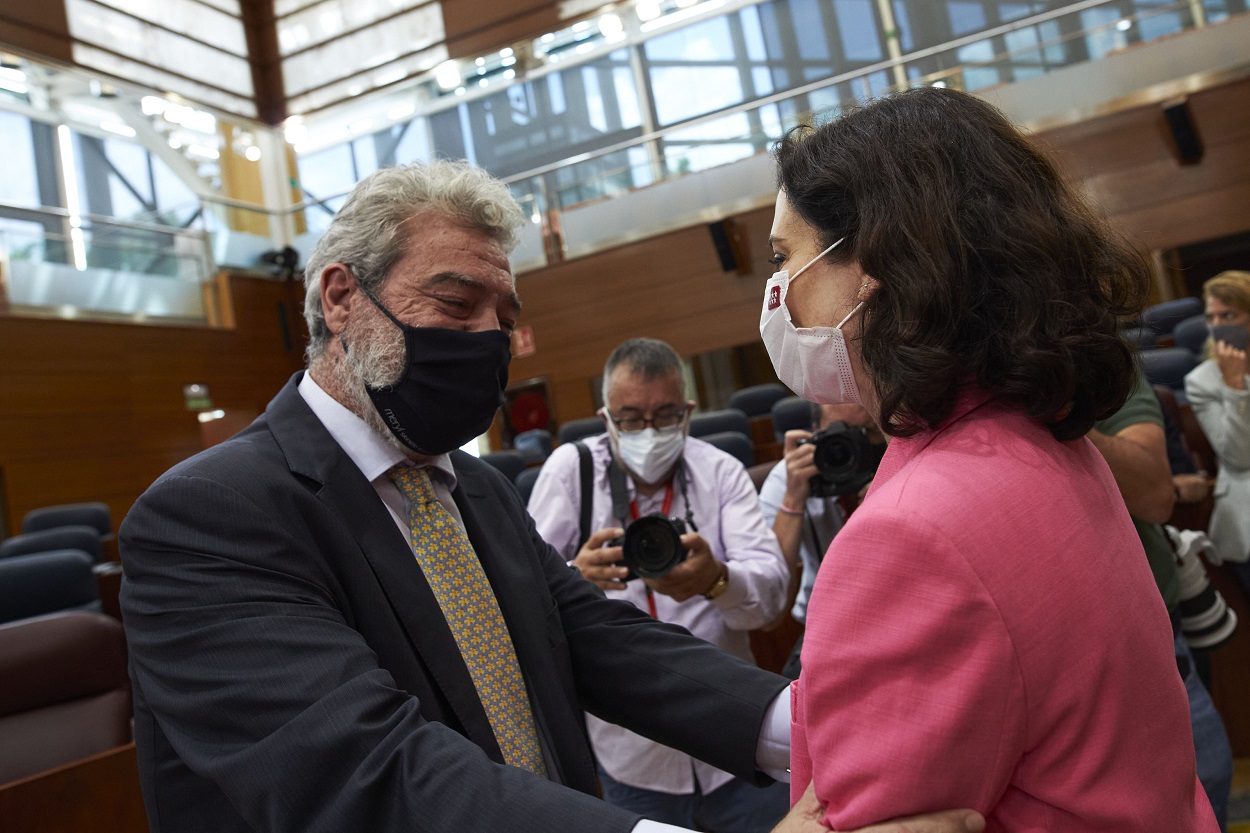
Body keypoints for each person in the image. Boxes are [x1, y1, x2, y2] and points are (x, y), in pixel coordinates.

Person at [119, 160, 983, 833]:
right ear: (343, 296)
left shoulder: (478, 489)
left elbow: (604, 643)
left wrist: (828, 730)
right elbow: (366, 769)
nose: (489, 339)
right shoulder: (208, 518)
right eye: (457, 304)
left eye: (503, 315)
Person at [763, 87, 1217, 831]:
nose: (777, 294)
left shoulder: (908, 537)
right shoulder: (1034, 435)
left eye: (785, 258)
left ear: (871, 264)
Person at [527, 338, 790, 832]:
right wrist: (573, 577)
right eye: (630, 418)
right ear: (605, 418)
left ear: (689, 413)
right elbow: (521, 594)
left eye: (665, 416)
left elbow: (772, 598)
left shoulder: (720, 471)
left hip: (733, 743)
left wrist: (716, 580)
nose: (648, 432)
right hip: (633, 758)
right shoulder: (570, 472)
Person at [1088, 372, 1233, 830]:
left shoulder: (1097, 368)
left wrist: (1060, 415)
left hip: (1150, 621)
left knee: (1209, 771)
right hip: (1066, 650)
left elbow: (1155, 495)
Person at [757, 402, 884, 677]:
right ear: (816, 433)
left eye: (868, 433)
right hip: (826, 626)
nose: (855, 445)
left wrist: (890, 499)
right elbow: (772, 604)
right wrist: (793, 498)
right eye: (844, 435)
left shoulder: (900, 465)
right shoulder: (789, 477)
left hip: (893, 615)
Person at [1184, 270, 1250, 594]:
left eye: (1229, 315)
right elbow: (1238, 457)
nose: (1217, 325)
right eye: (1211, 316)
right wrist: (1235, 386)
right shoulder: (1202, 380)